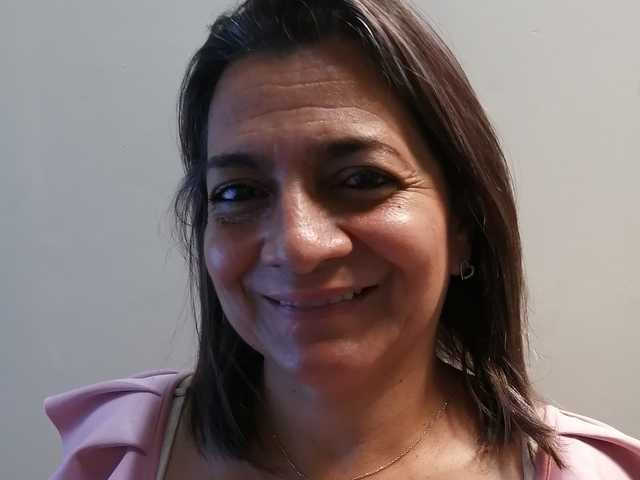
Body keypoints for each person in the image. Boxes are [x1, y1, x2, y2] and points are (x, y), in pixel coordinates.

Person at [44, 1, 640, 479]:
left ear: (463, 225)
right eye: (238, 192)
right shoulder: (118, 457)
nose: (298, 245)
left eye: (360, 180)